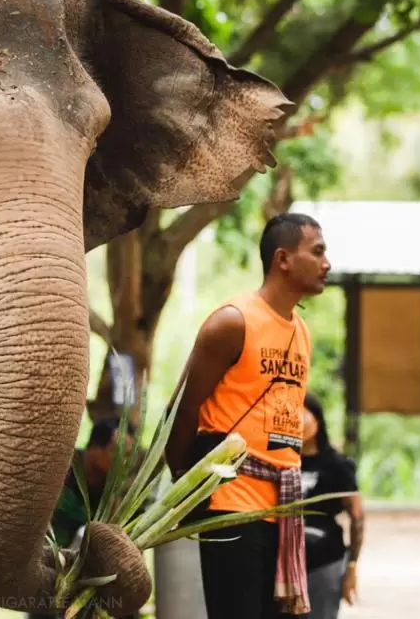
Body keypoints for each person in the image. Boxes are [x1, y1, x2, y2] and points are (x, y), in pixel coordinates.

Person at [165, 212, 331, 619]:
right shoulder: (232, 322)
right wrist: (191, 491)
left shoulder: (301, 331)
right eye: (318, 251)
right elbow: (180, 412)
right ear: (283, 259)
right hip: (233, 505)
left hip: (284, 507)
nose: (327, 263)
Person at [29, 416, 139, 619]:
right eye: (116, 453)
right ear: (94, 448)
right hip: (50, 571)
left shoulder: (112, 489)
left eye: (128, 456)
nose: (122, 463)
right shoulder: (60, 473)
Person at [300, 392, 363, 619]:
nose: (297, 421)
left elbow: (357, 517)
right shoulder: (280, 462)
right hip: (282, 561)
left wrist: (352, 568)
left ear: (317, 419)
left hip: (324, 559)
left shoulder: (338, 465)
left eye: (303, 414)